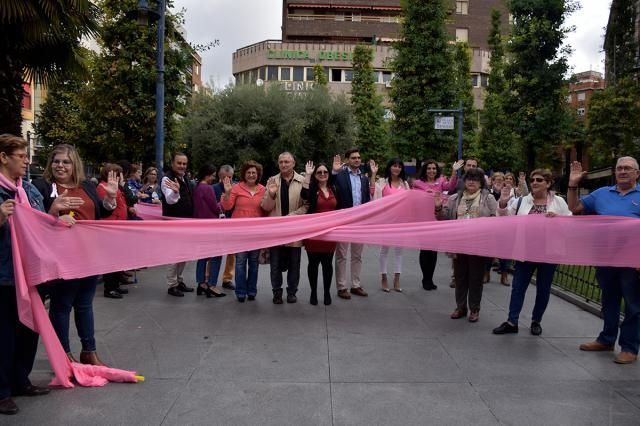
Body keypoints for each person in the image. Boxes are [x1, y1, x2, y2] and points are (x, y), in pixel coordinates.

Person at [33, 144, 118, 366]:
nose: (60, 166)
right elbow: (33, 219)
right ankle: (63, 356)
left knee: (84, 305)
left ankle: (89, 351)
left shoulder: (87, 186)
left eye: (66, 162)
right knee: (62, 305)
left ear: (75, 165)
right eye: (56, 161)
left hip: (89, 255)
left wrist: (110, 198)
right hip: (61, 258)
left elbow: (102, 211)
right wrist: (53, 215)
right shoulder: (41, 186)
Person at [568, 157, 640, 364]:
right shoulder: (601, 194)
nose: (623, 171)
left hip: (632, 261)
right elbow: (574, 208)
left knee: (633, 305)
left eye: (628, 168)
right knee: (609, 301)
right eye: (619, 168)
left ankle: (629, 347)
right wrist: (573, 184)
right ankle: (607, 339)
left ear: (637, 173)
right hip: (606, 258)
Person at [0, 134, 49, 415]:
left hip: (32, 272)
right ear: (4, 157)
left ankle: (21, 380)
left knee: (29, 329)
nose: (26, 160)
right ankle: (3, 390)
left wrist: (55, 216)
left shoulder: (28, 190)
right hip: (5, 274)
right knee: (5, 333)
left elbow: (40, 222)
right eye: (21, 155)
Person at [493, 169, 572, 336]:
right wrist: (502, 203)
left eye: (539, 180)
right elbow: (503, 220)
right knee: (518, 287)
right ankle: (511, 321)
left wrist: (558, 219)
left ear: (548, 183)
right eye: (533, 179)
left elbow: (570, 225)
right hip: (525, 252)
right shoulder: (522, 201)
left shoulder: (558, 202)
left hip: (549, 253)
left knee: (543, 289)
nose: (534, 182)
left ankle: (536, 321)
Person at [435, 167, 497, 322]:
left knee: (476, 278)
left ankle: (474, 309)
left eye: (475, 179)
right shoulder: (454, 198)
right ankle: (460, 307)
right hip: (458, 244)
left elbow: (496, 220)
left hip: (478, 244)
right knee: (460, 277)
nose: (471, 182)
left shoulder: (487, 198)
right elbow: (444, 217)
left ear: (481, 183)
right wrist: (437, 207)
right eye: (469, 179)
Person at [261, 152, 308, 304]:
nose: (284, 164)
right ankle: (277, 292)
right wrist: (271, 195)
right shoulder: (272, 181)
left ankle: (292, 292)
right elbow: (265, 207)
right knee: (275, 264)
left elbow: (308, 204)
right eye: (281, 162)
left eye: (287, 162)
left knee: (295, 264)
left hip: (295, 230)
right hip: (276, 231)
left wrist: (293, 215)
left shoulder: (303, 181)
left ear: (293, 163)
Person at [412, 159, 464, 290]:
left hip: (437, 219)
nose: (431, 171)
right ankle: (425, 278)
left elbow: (450, 186)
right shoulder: (418, 183)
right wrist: (424, 195)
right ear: (425, 170)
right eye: (429, 168)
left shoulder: (440, 181)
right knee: (425, 250)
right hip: (423, 220)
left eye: (434, 168)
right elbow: (413, 199)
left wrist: (454, 171)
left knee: (433, 251)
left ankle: (430, 278)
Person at [221, 161, 267, 302]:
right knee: (240, 262)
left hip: (256, 233)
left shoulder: (263, 189)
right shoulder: (236, 188)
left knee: (254, 263)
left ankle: (252, 290)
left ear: (258, 174)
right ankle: (241, 292)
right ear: (244, 174)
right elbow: (227, 207)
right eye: (248, 172)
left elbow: (266, 210)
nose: (251, 175)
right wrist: (228, 193)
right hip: (240, 233)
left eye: (254, 172)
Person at [331, 149, 371, 299]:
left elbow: (366, 199)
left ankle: (356, 285)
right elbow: (330, 185)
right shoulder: (340, 175)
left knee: (357, 255)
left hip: (360, 222)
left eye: (359, 157)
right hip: (343, 220)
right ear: (347, 160)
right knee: (341, 254)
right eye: (353, 158)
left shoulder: (364, 178)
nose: (357, 160)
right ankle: (342, 287)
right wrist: (334, 172)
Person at [301, 161, 339, 305]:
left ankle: (327, 292)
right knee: (313, 264)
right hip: (314, 234)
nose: (322, 174)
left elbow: (340, 207)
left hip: (330, 233)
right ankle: (313, 292)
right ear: (315, 175)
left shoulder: (334, 188)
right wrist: (308, 176)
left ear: (328, 174)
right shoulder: (311, 189)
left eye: (325, 172)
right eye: (319, 172)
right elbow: (303, 195)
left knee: (328, 264)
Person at [371, 158, 410, 292]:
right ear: (389, 167)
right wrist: (373, 174)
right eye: (394, 166)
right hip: (386, 221)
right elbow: (372, 192)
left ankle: (397, 278)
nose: (397, 168)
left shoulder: (405, 184)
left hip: (401, 222)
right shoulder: (382, 182)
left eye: (399, 166)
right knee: (385, 250)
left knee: (399, 251)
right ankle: (384, 277)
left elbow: (409, 202)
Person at [161, 152, 195, 297]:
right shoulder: (166, 179)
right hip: (173, 223)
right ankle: (172, 285)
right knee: (173, 255)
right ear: (173, 163)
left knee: (183, 254)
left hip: (186, 223)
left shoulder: (185, 178)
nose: (182, 166)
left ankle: (179, 281)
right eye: (179, 163)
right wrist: (175, 192)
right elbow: (169, 199)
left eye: (184, 163)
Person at [96, 163, 130, 299]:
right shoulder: (102, 187)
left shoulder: (116, 187)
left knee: (117, 258)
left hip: (118, 227)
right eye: (118, 174)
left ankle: (115, 285)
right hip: (110, 228)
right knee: (110, 259)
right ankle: (109, 288)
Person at [193, 164, 226, 298]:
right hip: (211, 227)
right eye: (213, 175)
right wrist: (222, 202)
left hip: (200, 226)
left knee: (202, 256)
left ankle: (201, 283)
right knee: (216, 255)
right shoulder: (208, 188)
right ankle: (211, 284)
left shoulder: (197, 187)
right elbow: (215, 207)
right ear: (208, 174)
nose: (214, 178)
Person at [213, 165, 236, 290]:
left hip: (232, 225)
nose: (227, 180)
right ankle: (209, 278)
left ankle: (227, 279)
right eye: (224, 177)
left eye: (230, 177)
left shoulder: (236, 188)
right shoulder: (213, 188)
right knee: (214, 253)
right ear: (219, 176)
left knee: (231, 253)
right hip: (217, 225)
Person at [487, 172, 512, 286]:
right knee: (488, 251)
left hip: (505, 227)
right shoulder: (487, 193)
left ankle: (504, 274)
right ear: (492, 181)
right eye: (496, 179)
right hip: (490, 227)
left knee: (504, 252)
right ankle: (486, 272)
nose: (498, 181)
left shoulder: (510, 193)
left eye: (501, 180)